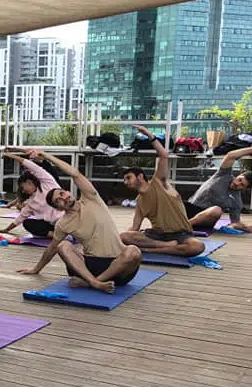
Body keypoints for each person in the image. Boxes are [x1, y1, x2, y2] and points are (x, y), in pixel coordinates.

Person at [18, 151, 141, 293]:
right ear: (58, 208)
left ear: (68, 191)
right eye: (58, 201)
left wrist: (46, 156)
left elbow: (75, 174)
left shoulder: (91, 198)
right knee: (63, 245)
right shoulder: (63, 223)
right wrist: (36, 269)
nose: (63, 198)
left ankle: (91, 283)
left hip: (119, 268)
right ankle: (94, 282)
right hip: (89, 267)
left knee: (133, 251)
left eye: (62, 194)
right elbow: (51, 249)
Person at [119, 125, 205, 257]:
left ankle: (152, 250)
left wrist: (148, 134)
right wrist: (120, 239)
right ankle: (166, 246)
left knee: (197, 246)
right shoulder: (139, 201)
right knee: (124, 236)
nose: (125, 182)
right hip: (157, 235)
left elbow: (164, 155)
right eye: (124, 180)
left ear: (140, 176)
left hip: (181, 234)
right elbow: (135, 228)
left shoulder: (158, 182)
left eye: (128, 178)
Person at [0, 148, 64, 237]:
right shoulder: (31, 201)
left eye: (23, 187)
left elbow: (31, 165)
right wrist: (6, 230)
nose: (23, 191)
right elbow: (20, 218)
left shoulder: (47, 183)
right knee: (27, 223)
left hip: (65, 220)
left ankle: (63, 233)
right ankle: (56, 235)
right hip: (53, 225)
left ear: (29, 182)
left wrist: (11, 156)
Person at [184, 146, 252, 232]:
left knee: (217, 210)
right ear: (239, 175)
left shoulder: (237, 202)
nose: (237, 184)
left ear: (244, 189)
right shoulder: (223, 174)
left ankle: (184, 225)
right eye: (240, 180)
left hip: (207, 219)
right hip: (190, 207)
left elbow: (235, 223)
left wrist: (245, 228)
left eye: (242, 185)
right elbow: (231, 155)